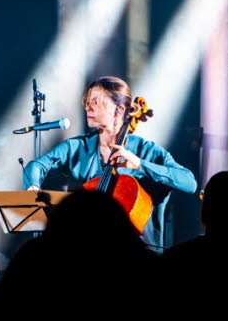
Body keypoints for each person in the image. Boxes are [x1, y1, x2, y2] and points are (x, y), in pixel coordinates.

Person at [21, 76, 196, 248]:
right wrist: (34, 189)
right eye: (87, 102)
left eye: (96, 102)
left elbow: (189, 182)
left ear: (119, 110)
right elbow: (35, 166)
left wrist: (140, 165)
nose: (88, 108)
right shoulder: (76, 147)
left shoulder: (148, 151)